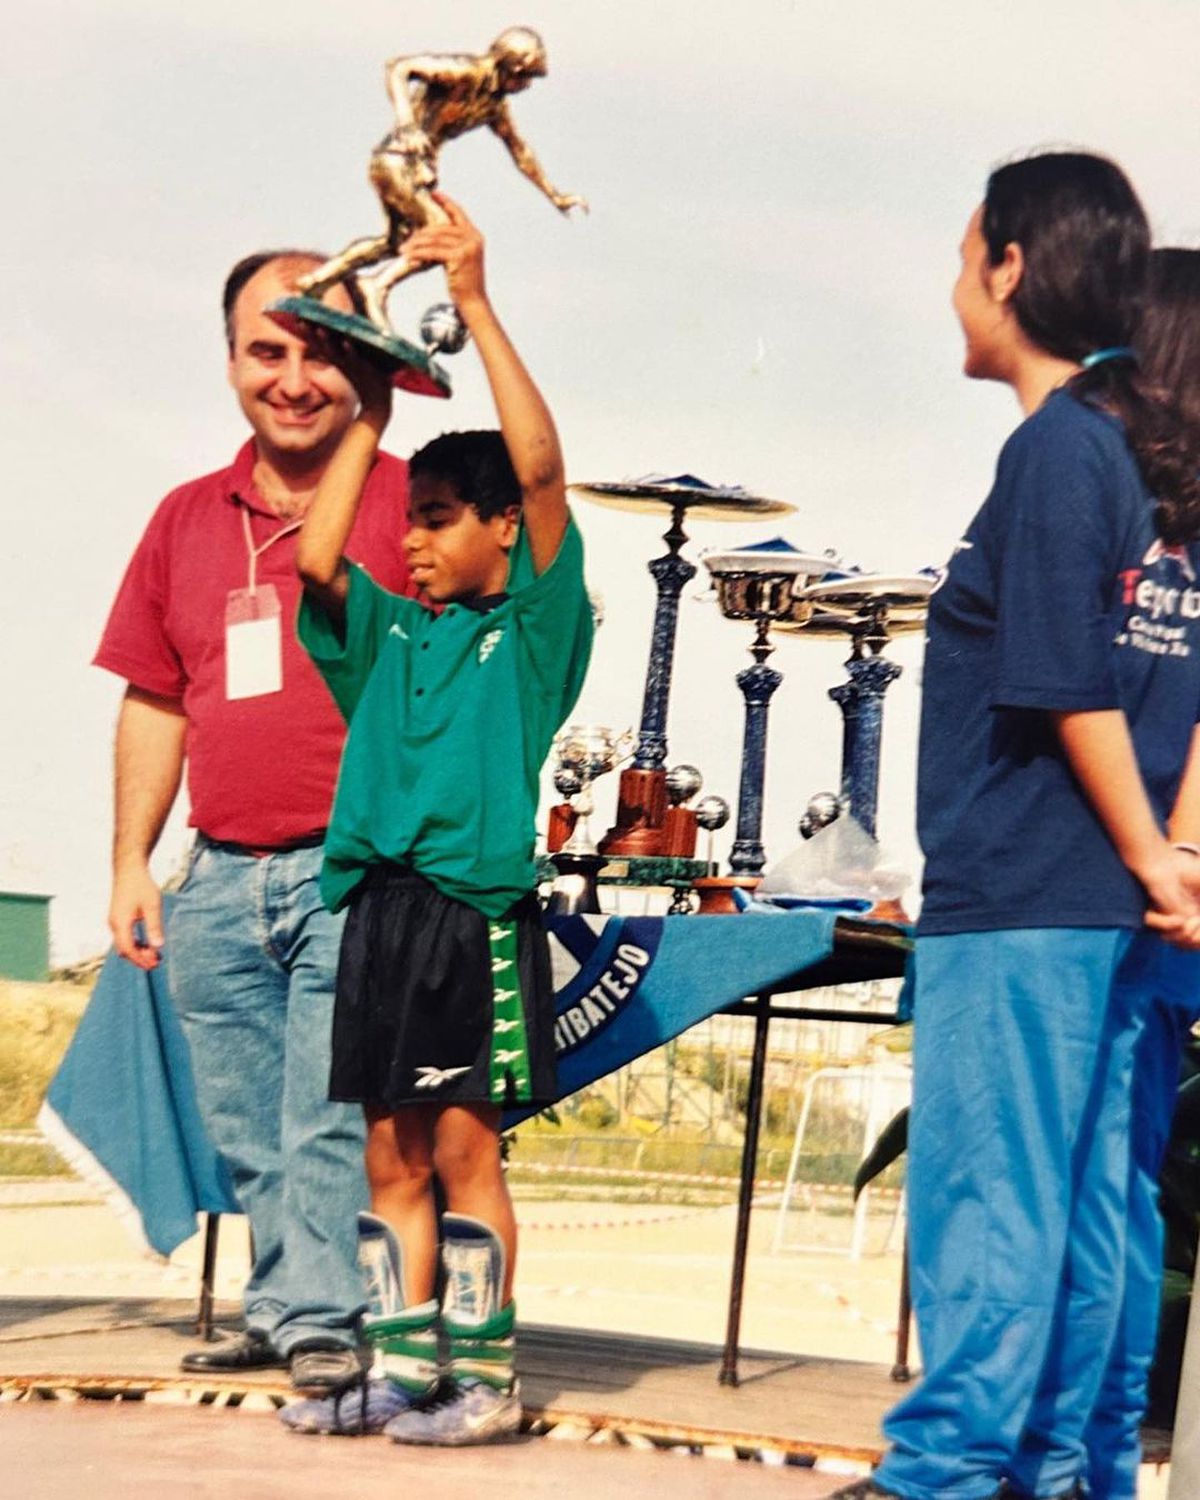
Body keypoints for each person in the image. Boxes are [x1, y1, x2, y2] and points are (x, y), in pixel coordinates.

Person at [832, 153, 1200, 1500]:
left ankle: (943, 1474)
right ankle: (1064, 1470)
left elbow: (1060, 681)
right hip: (1111, 901)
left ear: (1010, 267)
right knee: (1089, 1203)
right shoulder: (1153, 470)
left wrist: (1157, 854)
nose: (953, 286)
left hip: (1035, 886)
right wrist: (1171, 857)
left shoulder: (1061, 447)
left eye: (963, 255)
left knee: (994, 1194)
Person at [278, 193, 592, 1445]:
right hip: (379, 917)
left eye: (438, 518)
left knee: (464, 1153)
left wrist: (468, 300)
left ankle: (488, 1383)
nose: (409, 542)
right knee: (386, 1161)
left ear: (501, 529)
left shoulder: (531, 637)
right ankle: (400, 1371)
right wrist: (371, 406)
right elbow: (313, 560)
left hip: (470, 920)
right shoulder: (391, 631)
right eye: (406, 521)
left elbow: (547, 470)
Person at [94, 250, 413, 1394]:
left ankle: (323, 1314)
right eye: (267, 351)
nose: (292, 379)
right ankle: (288, 1304)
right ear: (231, 360)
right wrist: (134, 860)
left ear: (362, 362)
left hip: (355, 868)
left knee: (327, 1110)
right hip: (219, 872)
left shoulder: (407, 501)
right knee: (244, 1117)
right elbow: (155, 693)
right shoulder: (184, 518)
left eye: (321, 352)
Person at [1081, 248, 1200, 1500]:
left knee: (1099, 1191)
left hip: (1123, 899)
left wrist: (1172, 863)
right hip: (1135, 882)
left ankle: (1096, 1459)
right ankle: (1091, 1459)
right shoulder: (1098, 492)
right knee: (1101, 1192)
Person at [295, 26, 586, 334]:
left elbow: (520, 151)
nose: (526, 86)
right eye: (525, 77)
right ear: (511, 67)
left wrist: (554, 195)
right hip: (397, 159)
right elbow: (400, 67)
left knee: (397, 244)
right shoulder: (464, 72)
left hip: (416, 170)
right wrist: (406, 123)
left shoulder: (492, 105)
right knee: (441, 235)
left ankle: (318, 281)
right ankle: (376, 287)